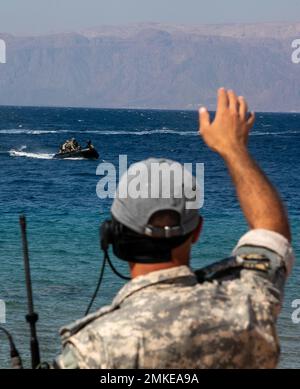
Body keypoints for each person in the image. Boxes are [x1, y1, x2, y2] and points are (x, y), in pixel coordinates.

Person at [55, 88, 294, 369]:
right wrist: (233, 148)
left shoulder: (92, 351)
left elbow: (272, 231)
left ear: (112, 235)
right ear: (197, 231)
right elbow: (271, 232)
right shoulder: (247, 307)